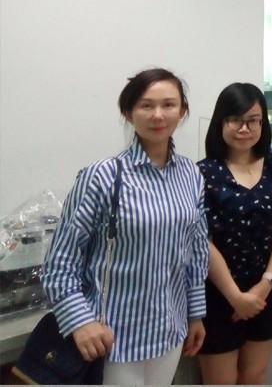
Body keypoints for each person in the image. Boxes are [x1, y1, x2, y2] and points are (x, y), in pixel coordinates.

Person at [41, 68, 209, 385]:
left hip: (170, 331)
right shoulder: (102, 176)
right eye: (146, 105)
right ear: (129, 112)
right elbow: (59, 263)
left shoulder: (191, 175)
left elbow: (196, 251)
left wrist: (195, 314)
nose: (158, 114)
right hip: (111, 338)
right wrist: (80, 323)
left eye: (168, 104)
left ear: (182, 111)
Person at [196, 83, 272, 384]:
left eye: (254, 120)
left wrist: (266, 283)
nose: (245, 128)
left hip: (266, 286)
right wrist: (235, 297)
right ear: (221, 122)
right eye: (235, 120)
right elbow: (203, 239)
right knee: (221, 380)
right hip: (219, 292)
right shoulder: (203, 172)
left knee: (255, 374)